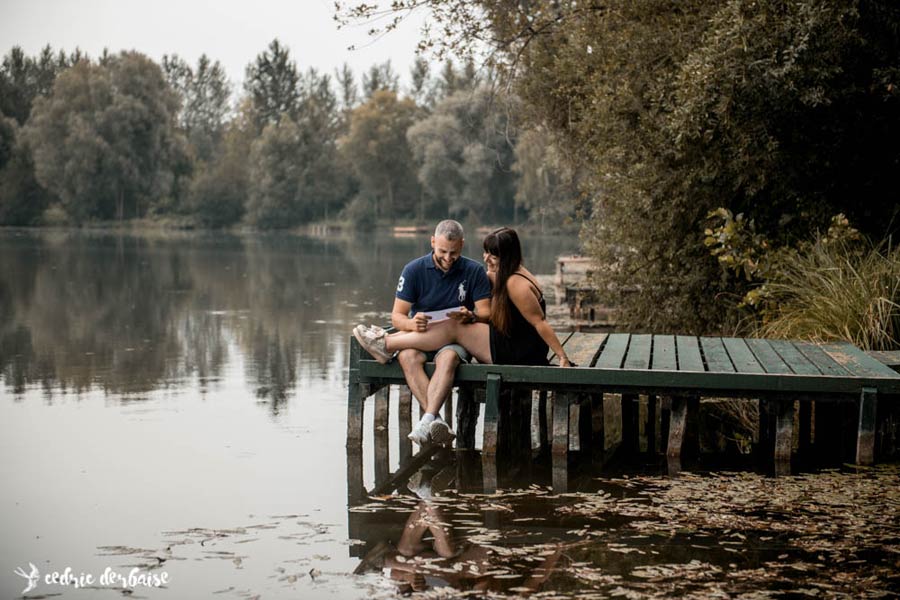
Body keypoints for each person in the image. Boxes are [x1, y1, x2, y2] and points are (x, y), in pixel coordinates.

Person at [354, 226, 573, 374]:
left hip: (520, 352)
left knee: (454, 326)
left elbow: (540, 323)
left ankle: (386, 343)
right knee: (453, 320)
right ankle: (388, 339)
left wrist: (562, 357)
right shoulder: (510, 274)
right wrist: (473, 314)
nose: (486, 258)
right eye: (485, 252)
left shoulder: (516, 284)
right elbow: (485, 280)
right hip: (512, 341)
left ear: (507, 258)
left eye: (493, 255)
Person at [354, 220, 492, 446]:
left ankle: (428, 417)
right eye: (442, 251)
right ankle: (435, 421)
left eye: (454, 253)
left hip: (455, 340)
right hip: (421, 336)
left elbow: (486, 312)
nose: (448, 258)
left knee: (448, 358)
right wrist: (410, 324)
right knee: (407, 357)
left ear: (462, 245)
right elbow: (397, 316)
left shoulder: (474, 270)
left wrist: (472, 315)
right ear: (432, 242)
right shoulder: (414, 270)